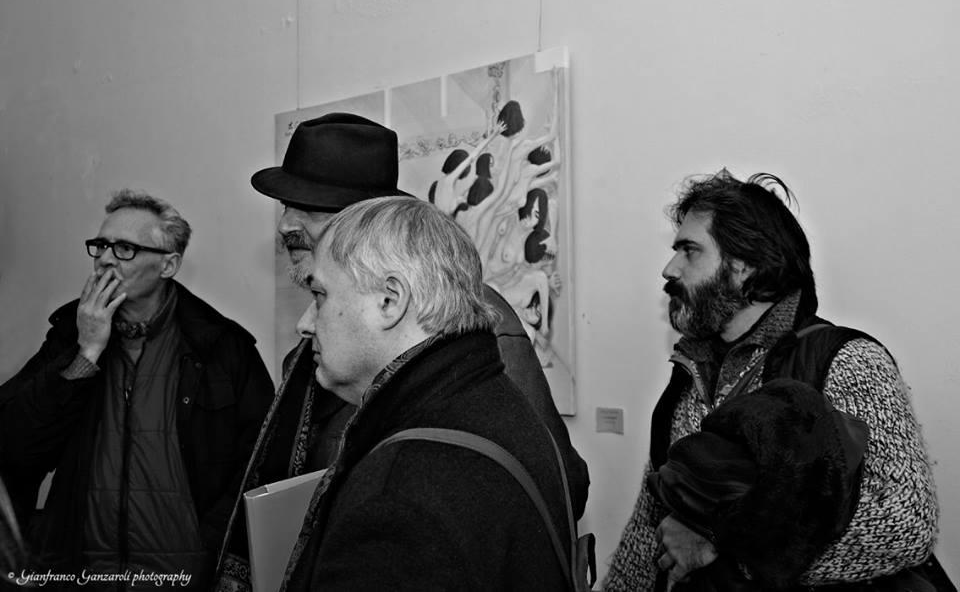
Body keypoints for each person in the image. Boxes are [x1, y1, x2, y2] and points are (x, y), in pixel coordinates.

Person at [213, 112, 588, 591]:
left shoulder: (466, 325)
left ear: (367, 222)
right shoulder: (326, 335)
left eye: (309, 206)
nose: (286, 222)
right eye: (287, 204)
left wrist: (404, 505)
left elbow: (541, 483)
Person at [604, 170, 940, 590]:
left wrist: (720, 542)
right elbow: (651, 528)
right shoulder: (688, 376)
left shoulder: (846, 362)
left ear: (744, 266)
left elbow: (905, 526)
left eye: (690, 251)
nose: (669, 269)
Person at [283, 196, 575, 590]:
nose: (305, 324)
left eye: (320, 296)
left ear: (390, 300)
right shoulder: (491, 398)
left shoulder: (397, 497)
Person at [0, 190, 274, 589]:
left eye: (125, 248)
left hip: (184, 575)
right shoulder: (69, 335)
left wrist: (218, 553)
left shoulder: (220, 347)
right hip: (83, 572)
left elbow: (259, 462)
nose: (105, 259)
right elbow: (15, 445)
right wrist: (86, 351)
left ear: (168, 265)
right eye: (101, 245)